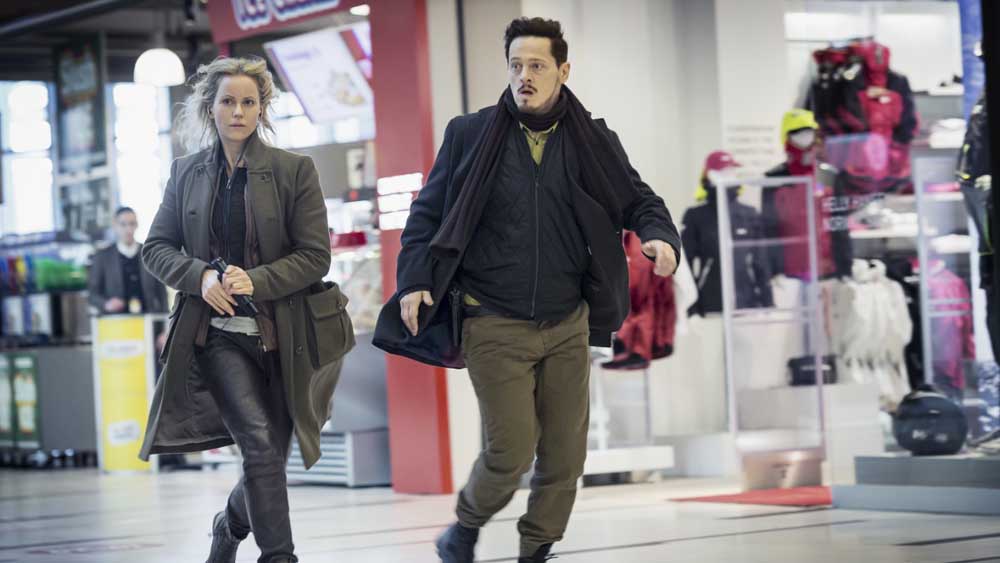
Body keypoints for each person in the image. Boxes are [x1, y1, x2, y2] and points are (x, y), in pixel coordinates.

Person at [373, 18, 680, 563]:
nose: (524, 77)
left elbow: (639, 200)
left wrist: (659, 236)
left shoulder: (592, 140)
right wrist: (414, 280)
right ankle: (465, 525)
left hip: (567, 321)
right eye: (516, 66)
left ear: (564, 70)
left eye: (537, 65)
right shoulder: (470, 134)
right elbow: (426, 216)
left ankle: (536, 548)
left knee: (565, 456)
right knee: (511, 451)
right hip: (492, 319)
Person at [138, 56, 353, 563]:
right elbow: (156, 248)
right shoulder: (185, 173)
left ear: (262, 109)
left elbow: (315, 256)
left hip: (286, 337)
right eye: (228, 102)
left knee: (269, 458)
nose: (238, 112)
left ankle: (229, 526)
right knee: (258, 446)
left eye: (249, 102)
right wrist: (200, 276)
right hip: (217, 337)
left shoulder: (294, 170)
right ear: (209, 108)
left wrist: (257, 279)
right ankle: (279, 557)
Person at [87, 207, 167, 316]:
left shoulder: (150, 254)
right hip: (116, 321)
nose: (128, 229)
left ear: (137, 225)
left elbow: (161, 292)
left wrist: (166, 320)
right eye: (123, 224)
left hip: (147, 319)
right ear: (115, 226)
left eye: (132, 224)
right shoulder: (102, 256)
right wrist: (106, 304)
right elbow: (92, 294)